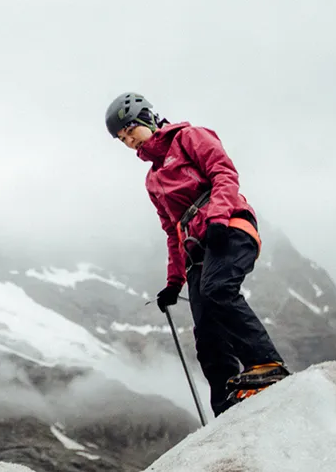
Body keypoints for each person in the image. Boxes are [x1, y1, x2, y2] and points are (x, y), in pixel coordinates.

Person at [105, 92, 290, 417]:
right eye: (122, 138)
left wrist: (218, 217)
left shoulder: (189, 137)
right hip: (196, 250)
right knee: (207, 339)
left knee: (218, 289)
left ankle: (267, 364)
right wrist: (173, 284)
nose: (128, 140)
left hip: (229, 227)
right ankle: (227, 410)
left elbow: (224, 174)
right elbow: (171, 230)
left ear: (146, 118)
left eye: (129, 130)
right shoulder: (152, 180)